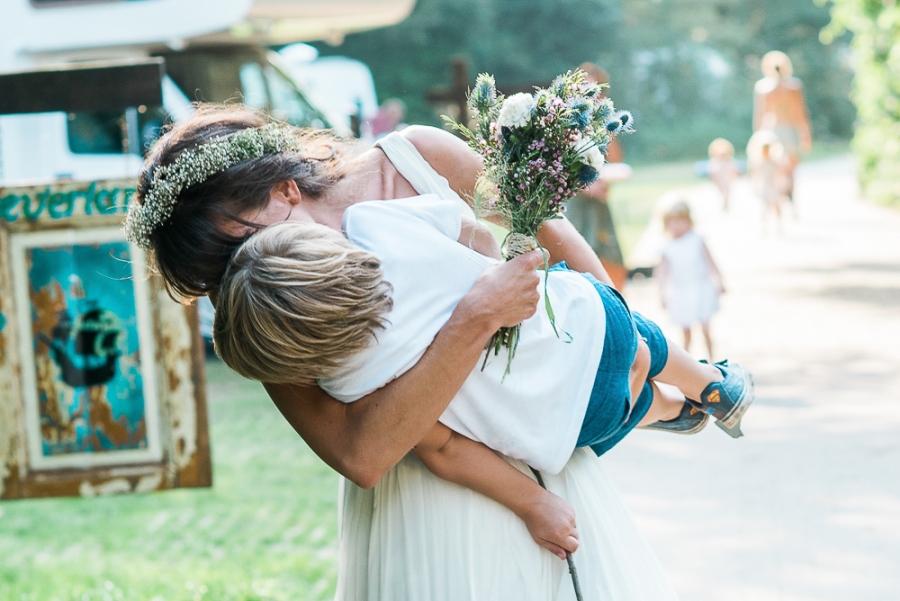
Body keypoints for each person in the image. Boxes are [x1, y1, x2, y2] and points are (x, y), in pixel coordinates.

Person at [125, 106, 692, 599]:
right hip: (428, 504)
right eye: (218, 276)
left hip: (540, 440)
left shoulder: (415, 159)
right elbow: (362, 454)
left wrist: (629, 339)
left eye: (239, 245)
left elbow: (547, 232)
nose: (247, 271)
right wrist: (475, 317)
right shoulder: (262, 304)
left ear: (282, 187)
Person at [211, 186, 753, 553]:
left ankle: (666, 410)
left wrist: (536, 504)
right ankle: (709, 386)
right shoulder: (373, 223)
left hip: (575, 426)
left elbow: (443, 448)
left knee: (621, 396)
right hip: (589, 327)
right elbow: (472, 232)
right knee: (641, 344)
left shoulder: (350, 378)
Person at [563, 62, 631, 290]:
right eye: (587, 90)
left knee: (612, 260)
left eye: (598, 91)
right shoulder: (564, 122)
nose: (593, 96)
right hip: (572, 205)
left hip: (598, 205)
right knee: (576, 262)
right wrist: (584, 186)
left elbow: (616, 160)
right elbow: (555, 163)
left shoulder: (602, 124)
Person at [655, 201, 725, 359]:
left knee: (706, 328)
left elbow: (710, 261)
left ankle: (712, 360)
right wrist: (661, 294)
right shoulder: (667, 248)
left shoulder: (697, 240)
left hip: (701, 288)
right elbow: (662, 274)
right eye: (672, 222)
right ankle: (689, 364)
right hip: (682, 293)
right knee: (686, 333)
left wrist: (719, 280)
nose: (676, 226)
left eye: (680, 221)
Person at [753, 50, 812, 204]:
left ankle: (778, 196)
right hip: (790, 131)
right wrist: (806, 135)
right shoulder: (794, 86)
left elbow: (760, 115)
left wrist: (758, 137)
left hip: (772, 132)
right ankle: (789, 194)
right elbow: (801, 113)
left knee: (776, 168)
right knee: (790, 170)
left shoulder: (763, 87)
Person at [747, 130, 790, 233]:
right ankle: (764, 226)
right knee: (765, 206)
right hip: (765, 186)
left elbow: (781, 172)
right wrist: (755, 186)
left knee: (776, 205)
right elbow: (755, 174)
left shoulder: (774, 161)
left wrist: (783, 184)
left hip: (773, 185)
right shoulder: (759, 162)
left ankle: (779, 225)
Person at [706, 138, 743, 210]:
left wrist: (737, 173)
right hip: (719, 180)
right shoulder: (714, 161)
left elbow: (734, 168)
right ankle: (724, 203)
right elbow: (712, 171)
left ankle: (726, 203)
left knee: (727, 192)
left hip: (727, 179)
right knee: (722, 192)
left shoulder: (729, 160)